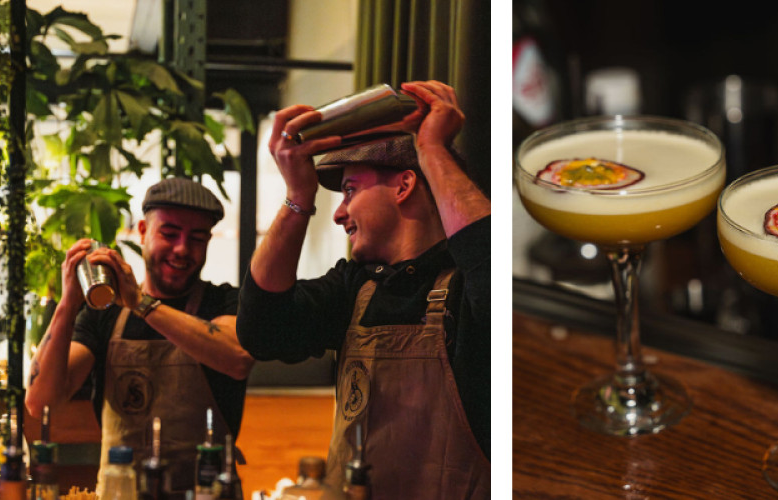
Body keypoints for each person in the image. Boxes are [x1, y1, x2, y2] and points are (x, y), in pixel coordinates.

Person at [239, 80, 491, 498]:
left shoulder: (467, 286)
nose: (338, 213)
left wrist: (431, 149)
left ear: (404, 185)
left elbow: (494, 274)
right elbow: (260, 330)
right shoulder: (355, 287)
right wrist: (298, 197)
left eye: (351, 190)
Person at [25, 177, 254, 493]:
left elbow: (238, 359)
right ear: (143, 232)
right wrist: (68, 303)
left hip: (208, 493)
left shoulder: (224, 302)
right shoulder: (104, 314)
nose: (182, 249)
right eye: (169, 234)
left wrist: (140, 303)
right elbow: (40, 402)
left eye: (197, 238)